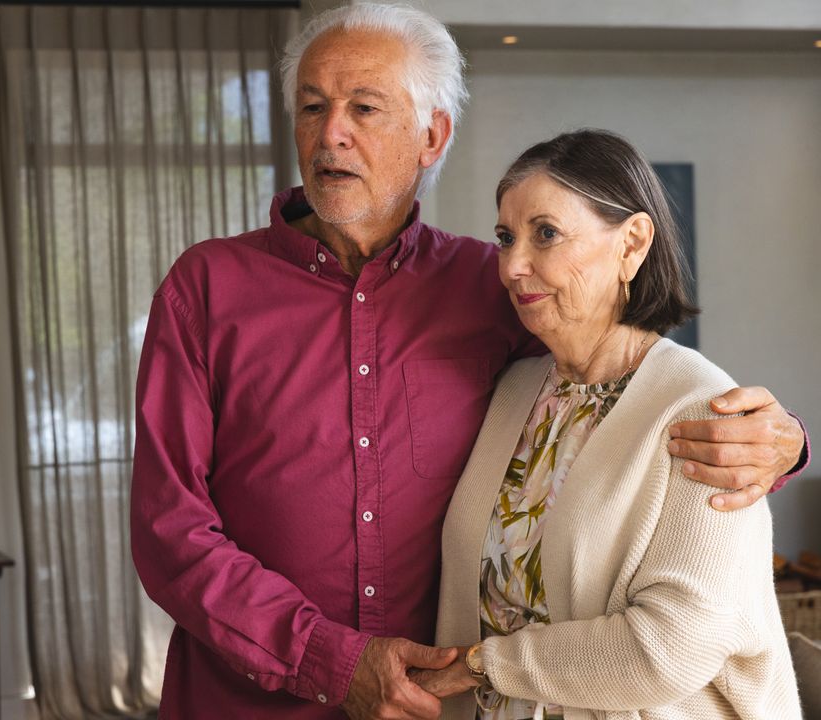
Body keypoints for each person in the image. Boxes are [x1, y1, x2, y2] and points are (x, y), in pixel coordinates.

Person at [130, 5, 808, 719]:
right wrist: (328, 660)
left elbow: (624, 371)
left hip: (438, 705)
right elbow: (168, 529)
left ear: (432, 135)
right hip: (243, 703)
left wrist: (784, 440)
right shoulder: (206, 288)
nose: (331, 132)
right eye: (311, 106)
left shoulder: (493, 289)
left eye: (364, 107)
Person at [415, 129, 801, 718]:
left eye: (546, 234)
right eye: (505, 237)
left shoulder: (704, 410)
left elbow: (668, 649)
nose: (515, 265)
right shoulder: (515, 391)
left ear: (633, 243)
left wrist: (480, 664)